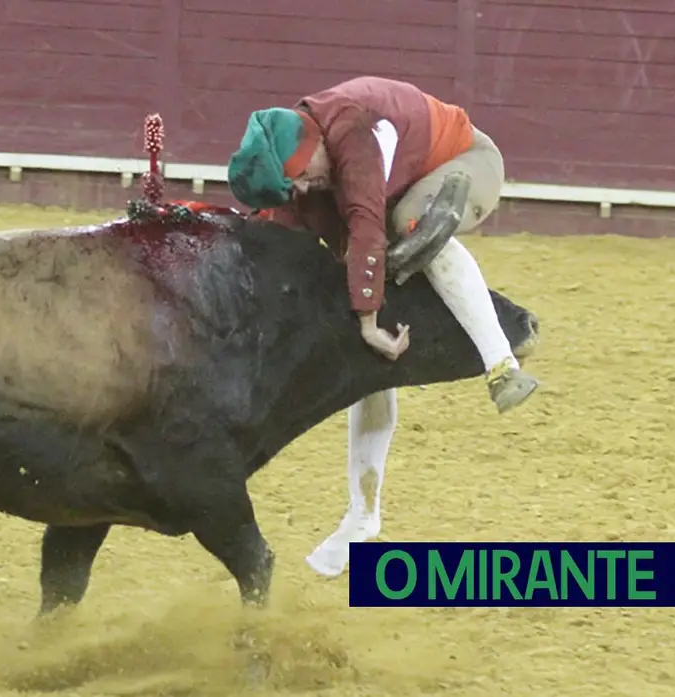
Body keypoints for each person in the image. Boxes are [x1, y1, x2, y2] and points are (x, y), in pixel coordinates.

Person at [224, 75, 540, 577]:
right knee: (362, 345)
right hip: (397, 188)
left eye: (302, 177)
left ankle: (500, 364)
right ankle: (362, 513)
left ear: (309, 146)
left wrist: (370, 318)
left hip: (464, 161)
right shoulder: (304, 159)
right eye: (295, 186)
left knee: (411, 225)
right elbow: (271, 234)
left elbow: (367, 224)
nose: (303, 190)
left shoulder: (350, 129)